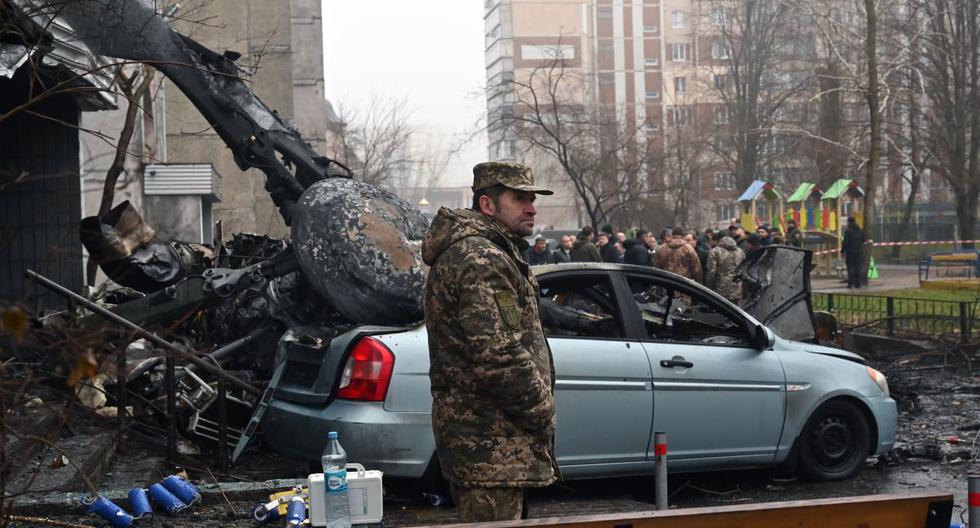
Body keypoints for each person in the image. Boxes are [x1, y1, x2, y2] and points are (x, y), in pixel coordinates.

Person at [421, 161, 558, 522]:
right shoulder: (481, 259)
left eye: (532, 198)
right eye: (519, 198)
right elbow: (498, 354)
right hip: (489, 444)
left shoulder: (490, 253)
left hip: (494, 445)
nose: (531, 207)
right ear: (487, 205)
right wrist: (542, 410)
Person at [705, 234, 745, 303]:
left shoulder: (715, 251)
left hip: (720, 290)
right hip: (737, 289)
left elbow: (711, 272)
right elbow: (744, 270)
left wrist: (708, 288)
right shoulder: (740, 251)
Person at [842, 216, 866, 289]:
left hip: (850, 252)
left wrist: (842, 251)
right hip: (859, 252)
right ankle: (858, 283)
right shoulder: (861, 230)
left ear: (849, 222)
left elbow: (845, 242)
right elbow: (863, 240)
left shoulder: (848, 231)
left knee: (850, 268)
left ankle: (850, 284)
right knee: (858, 267)